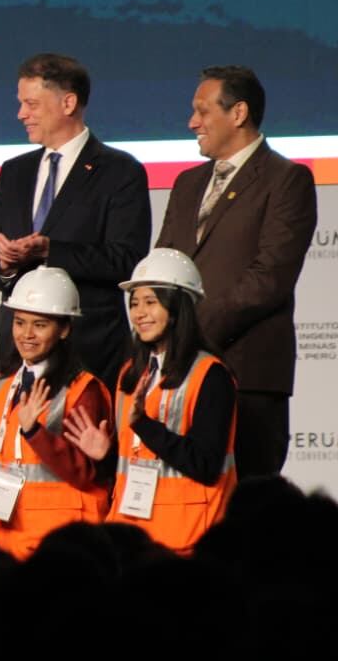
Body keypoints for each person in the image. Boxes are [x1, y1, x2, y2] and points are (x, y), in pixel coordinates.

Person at [154, 66, 317, 478]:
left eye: (202, 111)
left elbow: (269, 278)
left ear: (239, 113)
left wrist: (191, 332)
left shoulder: (286, 179)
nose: (192, 122)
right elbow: (164, 266)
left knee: (249, 513)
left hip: (246, 374)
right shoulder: (187, 183)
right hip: (179, 375)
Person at [0, 54, 150, 388]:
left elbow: (127, 260)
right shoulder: (14, 172)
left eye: (31, 104)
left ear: (68, 103)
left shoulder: (120, 171)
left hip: (90, 352)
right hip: (17, 356)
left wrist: (50, 252)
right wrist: (6, 265)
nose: (21, 114)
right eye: (21, 103)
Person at [63, 249, 237, 554]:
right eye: (134, 304)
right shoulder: (130, 374)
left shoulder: (210, 374)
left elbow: (205, 465)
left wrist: (144, 424)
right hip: (130, 535)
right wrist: (106, 455)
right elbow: (133, 459)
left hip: (187, 537)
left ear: (178, 306)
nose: (139, 313)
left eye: (150, 302)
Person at [0, 266, 111, 558]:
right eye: (20, 322)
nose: (26, 334)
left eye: (40, 325)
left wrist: (35, 433)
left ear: (65, 329)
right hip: (5, 539)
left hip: (61, 545)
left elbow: (85, 475)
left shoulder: (82, 389)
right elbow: (17, 471)